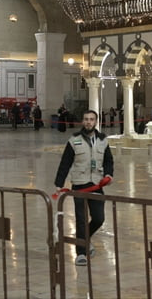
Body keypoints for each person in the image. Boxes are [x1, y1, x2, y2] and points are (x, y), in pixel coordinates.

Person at [53, 109, 114, 265]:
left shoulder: (103, 140)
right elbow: (65, 163)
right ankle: (81, 253)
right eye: (86, 119)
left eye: (91, 119)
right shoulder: (74, 140)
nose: (88, 122)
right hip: (80, 184)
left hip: (97, 184)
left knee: (99, 218)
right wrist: (59, 184)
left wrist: (109, 174)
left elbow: (108, 161)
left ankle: (84, 239)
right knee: (81, 219)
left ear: (96, 122)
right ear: (82, 121)